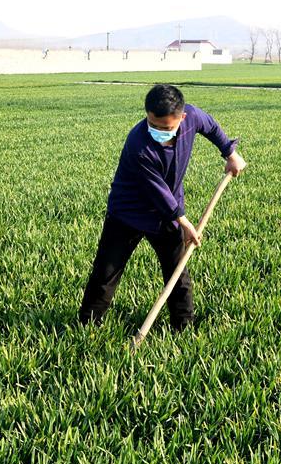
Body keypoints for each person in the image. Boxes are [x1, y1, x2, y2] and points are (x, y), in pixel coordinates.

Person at [78, 84, 247, 330]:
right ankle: (88, 325)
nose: (158, 131)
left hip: (167, 216)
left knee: (177, 272)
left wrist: (229, 153)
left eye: (165, 127)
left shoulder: (193, 118)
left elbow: (210, 126)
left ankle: (184, 326)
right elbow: (158, 191)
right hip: (128, 213)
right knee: (106, 272)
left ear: (182, 117)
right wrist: (185, 223)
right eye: (153, 125)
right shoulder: (138, 144)